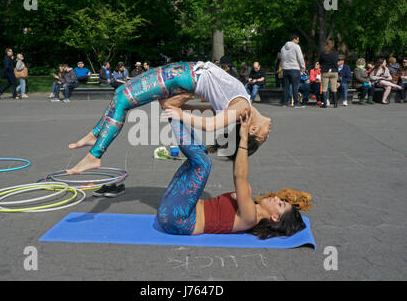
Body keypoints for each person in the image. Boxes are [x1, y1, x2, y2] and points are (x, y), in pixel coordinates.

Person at [65, 61, 272, 175]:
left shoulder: (243, 109)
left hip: (184, 76)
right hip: (185, 73)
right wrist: (185, 107)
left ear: (252, 131)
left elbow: (210, 125)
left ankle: (95, 155)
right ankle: (95, 135)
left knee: (122, 101)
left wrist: (180, 113)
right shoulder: (243, 104)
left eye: (264, 138)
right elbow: (211, 107)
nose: (268, 132)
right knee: (123, 92)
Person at [156, 112, 308, 238]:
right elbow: (239, 166)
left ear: (275, 218)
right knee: (201, 152)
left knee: (203, 163)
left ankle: (172, 113)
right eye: (281, 200)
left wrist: (243, 137)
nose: (276, 198)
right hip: (177, 210)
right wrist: (245, 137)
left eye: (280, 204)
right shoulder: (248, 199)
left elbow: (239, 176)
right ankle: (174, 112)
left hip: (178, 219)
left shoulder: (250, 217)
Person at [280, 34, 306, 108]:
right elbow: (300, 57)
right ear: (294, 39)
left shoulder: (283, 48)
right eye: (297, 39)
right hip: (294, 68)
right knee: (295, 87)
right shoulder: (296, 46)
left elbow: (282, 58)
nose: (298, 41)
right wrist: (303, 66)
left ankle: (284, 103)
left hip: (285, 68)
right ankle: (296, 103)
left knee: (285, 87)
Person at [319, 39, 339, 108]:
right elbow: (336, 61)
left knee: (324, 88)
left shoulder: (323, 54)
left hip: (325, 72)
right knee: (334, 88)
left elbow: (320, 62)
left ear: (326, 45)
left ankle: (325, 104)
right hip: (334, 71)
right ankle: (335, 104)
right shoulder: (336, 53)